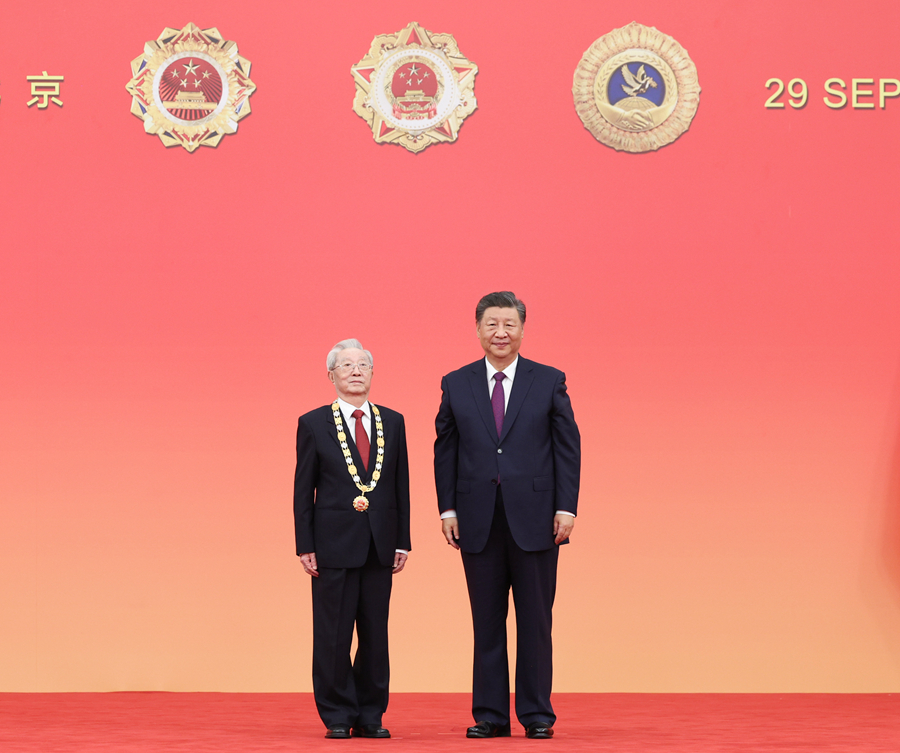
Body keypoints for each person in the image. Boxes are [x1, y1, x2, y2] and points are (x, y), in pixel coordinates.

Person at [434, 292, 580, 739]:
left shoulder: (548, 380)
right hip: (476, 519)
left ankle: (536, 715)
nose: (500, 332)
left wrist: (566, 507)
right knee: (487, 621)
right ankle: (490, 715)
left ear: (522, 330)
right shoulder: (456, 383)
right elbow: (445, 450)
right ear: (478, 330)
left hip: (537, 519)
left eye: (509, 324)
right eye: (492, 324)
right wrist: (447, 508)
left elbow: (567, 448)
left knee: (535, 621)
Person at [294, 338, 411, 739]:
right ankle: (338, 714)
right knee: (333, 634)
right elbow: (303, 490)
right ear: (331, 376)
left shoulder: (393, 421)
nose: (356, 371)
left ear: (372, 373)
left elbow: (400, 484)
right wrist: (305, 545)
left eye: (363, 364)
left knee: (376, 635)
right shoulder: (313, 423)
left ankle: (371, 713)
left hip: (381, 544)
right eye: (346, 365)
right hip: (332, 545)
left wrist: (402, 540)